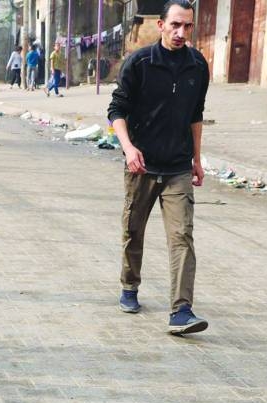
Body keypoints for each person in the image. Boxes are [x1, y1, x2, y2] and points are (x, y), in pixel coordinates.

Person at [108, 0, 209, 335]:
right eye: (175, 25)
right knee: (133, 230)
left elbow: (196, 115)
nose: (181, 33)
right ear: (161, 25)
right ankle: (129, 285)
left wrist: (197, 159)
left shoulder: (197, 65)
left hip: (178, 165)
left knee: (182, 235)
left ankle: (181, 311)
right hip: (142, 165)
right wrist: (128, 148)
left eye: (188, 26)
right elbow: (117, 109)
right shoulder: (139, 63)